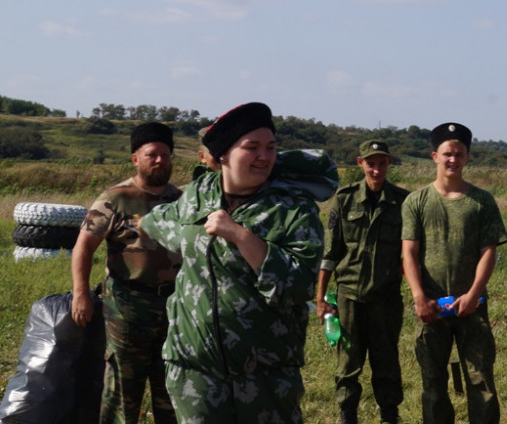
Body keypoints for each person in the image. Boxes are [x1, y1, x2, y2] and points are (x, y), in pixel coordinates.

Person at [139, 102, 339, 422]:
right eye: (252, 147)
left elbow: (297, 286)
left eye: (270, 147)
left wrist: (240, 236)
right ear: (222, 156)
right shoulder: (201, 192)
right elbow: (166, 221)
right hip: (194, 372)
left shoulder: (293, 210)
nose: (264, 156)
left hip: (264, 378)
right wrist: (144, 224)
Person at [70, 121, 181, 424]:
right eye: (152, 154)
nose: (160, 160)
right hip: (128, 309)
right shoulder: (115, 198)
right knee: (122, 388)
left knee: (172, 387)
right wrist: (81, 294)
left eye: (166, 154)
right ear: (136, 158)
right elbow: (84, 247)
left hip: (174, 309)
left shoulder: (181, 200)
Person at [401, 122, 507, 424]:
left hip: (472, 308)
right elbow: (409, 253)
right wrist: (419, 297)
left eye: (459, 154)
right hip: (431, 308)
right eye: (447, 153)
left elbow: (489, 251)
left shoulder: (482, 201)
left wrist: (473, 295)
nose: (453, 160)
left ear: (467, 157)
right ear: (435, 156)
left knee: (481, 382)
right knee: (433, 385)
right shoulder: (417, 201)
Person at [316, 140, 409, 424]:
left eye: (382, 163)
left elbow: (409, 253)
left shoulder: (402, 201)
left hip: (386, 299)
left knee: (387, 363)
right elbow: (331, 254)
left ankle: (389, 416)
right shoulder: (344, 199)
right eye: (371, 163)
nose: (376, 169)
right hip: (349, 296)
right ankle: (348, 416)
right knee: (348, 364)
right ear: (360, 163)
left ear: (389, 163)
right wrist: (320, 298)